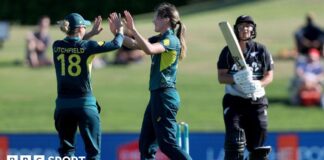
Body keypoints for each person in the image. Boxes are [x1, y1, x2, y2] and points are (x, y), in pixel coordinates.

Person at [122, 3, 192, 160]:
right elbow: (134, 44)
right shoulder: (161, 38)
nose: (154, 21)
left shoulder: (171, 40)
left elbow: (149, 49)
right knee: (146, 146)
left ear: (166, 19)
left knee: (167, 144)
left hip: (164, 96)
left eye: (156, 18)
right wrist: (119, 34)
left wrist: (134, 30)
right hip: (157, 96)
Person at [53, 13, 124, 160]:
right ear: (80, 29)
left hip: (63, 106)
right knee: (93, 153)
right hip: (85, 105)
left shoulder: (57, 46)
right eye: (85, 27)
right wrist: (120, 30)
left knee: (66, 153)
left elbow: (73, 46)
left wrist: (90, 33)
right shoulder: (88, 46)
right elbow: (116, 44)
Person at [217, 15, 274, 160]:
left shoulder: (261, 50)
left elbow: (269, 75)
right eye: (241, 26)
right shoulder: (227, 51)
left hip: (257, 101)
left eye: (248, 26)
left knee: (258, 148)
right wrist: (236, 78)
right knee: (235, 142)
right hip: (234, 100)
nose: (245, 29)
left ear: (253, 29)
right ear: (236, 29)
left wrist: (258, 84)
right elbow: (221, 77)